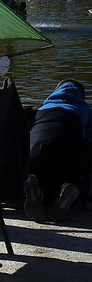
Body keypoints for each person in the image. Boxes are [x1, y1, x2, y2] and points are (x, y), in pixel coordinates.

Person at [24, 79, 92, 222]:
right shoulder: (86, 111)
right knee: (72, 174)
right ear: (81, 96)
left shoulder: (40, 111)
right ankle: (66, 193)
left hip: (36, 154)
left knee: (35, 172)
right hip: (69, 154)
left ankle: (36, 190)